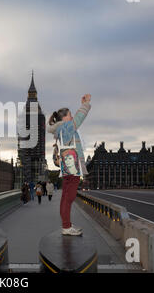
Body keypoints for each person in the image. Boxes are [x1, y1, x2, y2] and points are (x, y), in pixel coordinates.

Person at [47, 93, 91, 236]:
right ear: (64, 118)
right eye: (70, 115)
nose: (72, 117)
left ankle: (67, 225)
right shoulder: (66, 128)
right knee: (69, 198)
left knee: (66, 197)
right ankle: (66, 227)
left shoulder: (62, 130)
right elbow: (79, 119)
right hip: (72, 168)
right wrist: (85, 105)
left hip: (67, 168)